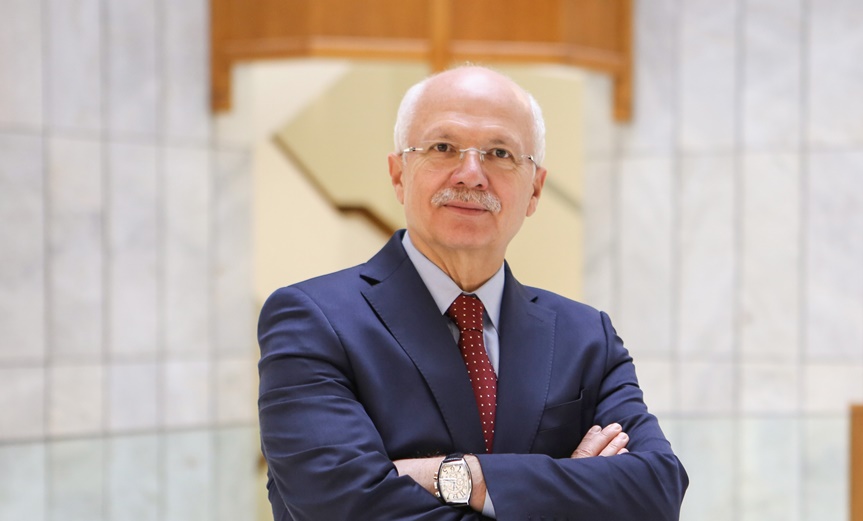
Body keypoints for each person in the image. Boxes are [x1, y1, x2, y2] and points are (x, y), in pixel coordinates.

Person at [257, 65, 688, 520]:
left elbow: (656, 491)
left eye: (500, 153)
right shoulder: (311, 320)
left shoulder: (586, 336)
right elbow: (342, 507)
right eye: (443, 148)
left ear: (535, 189)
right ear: (399, 174)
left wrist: (460, 476)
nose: (471, 175)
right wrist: (567, 486)